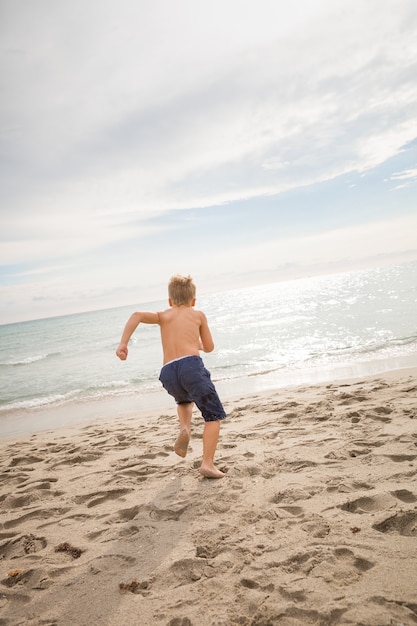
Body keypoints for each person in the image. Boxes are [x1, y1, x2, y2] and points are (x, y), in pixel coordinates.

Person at [116, 275, 227, 478]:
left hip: (168, 371)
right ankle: (207, 464)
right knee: (213, 416)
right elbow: (209, 347)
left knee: (184, 400)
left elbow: (136, 315)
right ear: (193, 301)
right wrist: (199, 345)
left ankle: (185, 428)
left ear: (170, 301)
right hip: (190, 366)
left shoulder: (163, 315)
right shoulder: (198, 315)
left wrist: (123, 344)